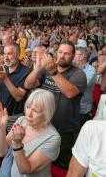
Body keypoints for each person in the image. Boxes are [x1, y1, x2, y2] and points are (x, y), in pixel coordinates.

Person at [24, 41, 87, 169]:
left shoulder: (79, 74)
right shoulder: (46, 70)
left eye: (67, 53)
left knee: (59, 167)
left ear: (73, 56)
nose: (62, 56)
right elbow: (28, 85)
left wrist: (53, 72)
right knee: (39, 165)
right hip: (42, 126)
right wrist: (38, 68)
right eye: (60, 52)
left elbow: (70, 93)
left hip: (65, 131)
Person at [0, 89, 61, 177]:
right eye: (28, 107)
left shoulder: (53, 138)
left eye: (35, 111)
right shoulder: (22, 120)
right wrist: (1, 127)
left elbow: (25, 169)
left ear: (47, 113)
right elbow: (2, 152)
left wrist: (17, 144)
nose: (29, 114)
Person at [0, 45, 30, 130]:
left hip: (14, 119)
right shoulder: (2, 68)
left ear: (18, 54)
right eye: (4, 54)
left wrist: (5, 78)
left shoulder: (25, 71)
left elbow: (18, 97)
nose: (6, 57)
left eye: (9, 54)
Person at [73, 47, 96, 124]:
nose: (73, 56)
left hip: (82, 109)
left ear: (83, 56)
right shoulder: (72, 67)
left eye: (76, 54)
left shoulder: (91, 70)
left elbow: (80, 86)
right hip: (71, 107)